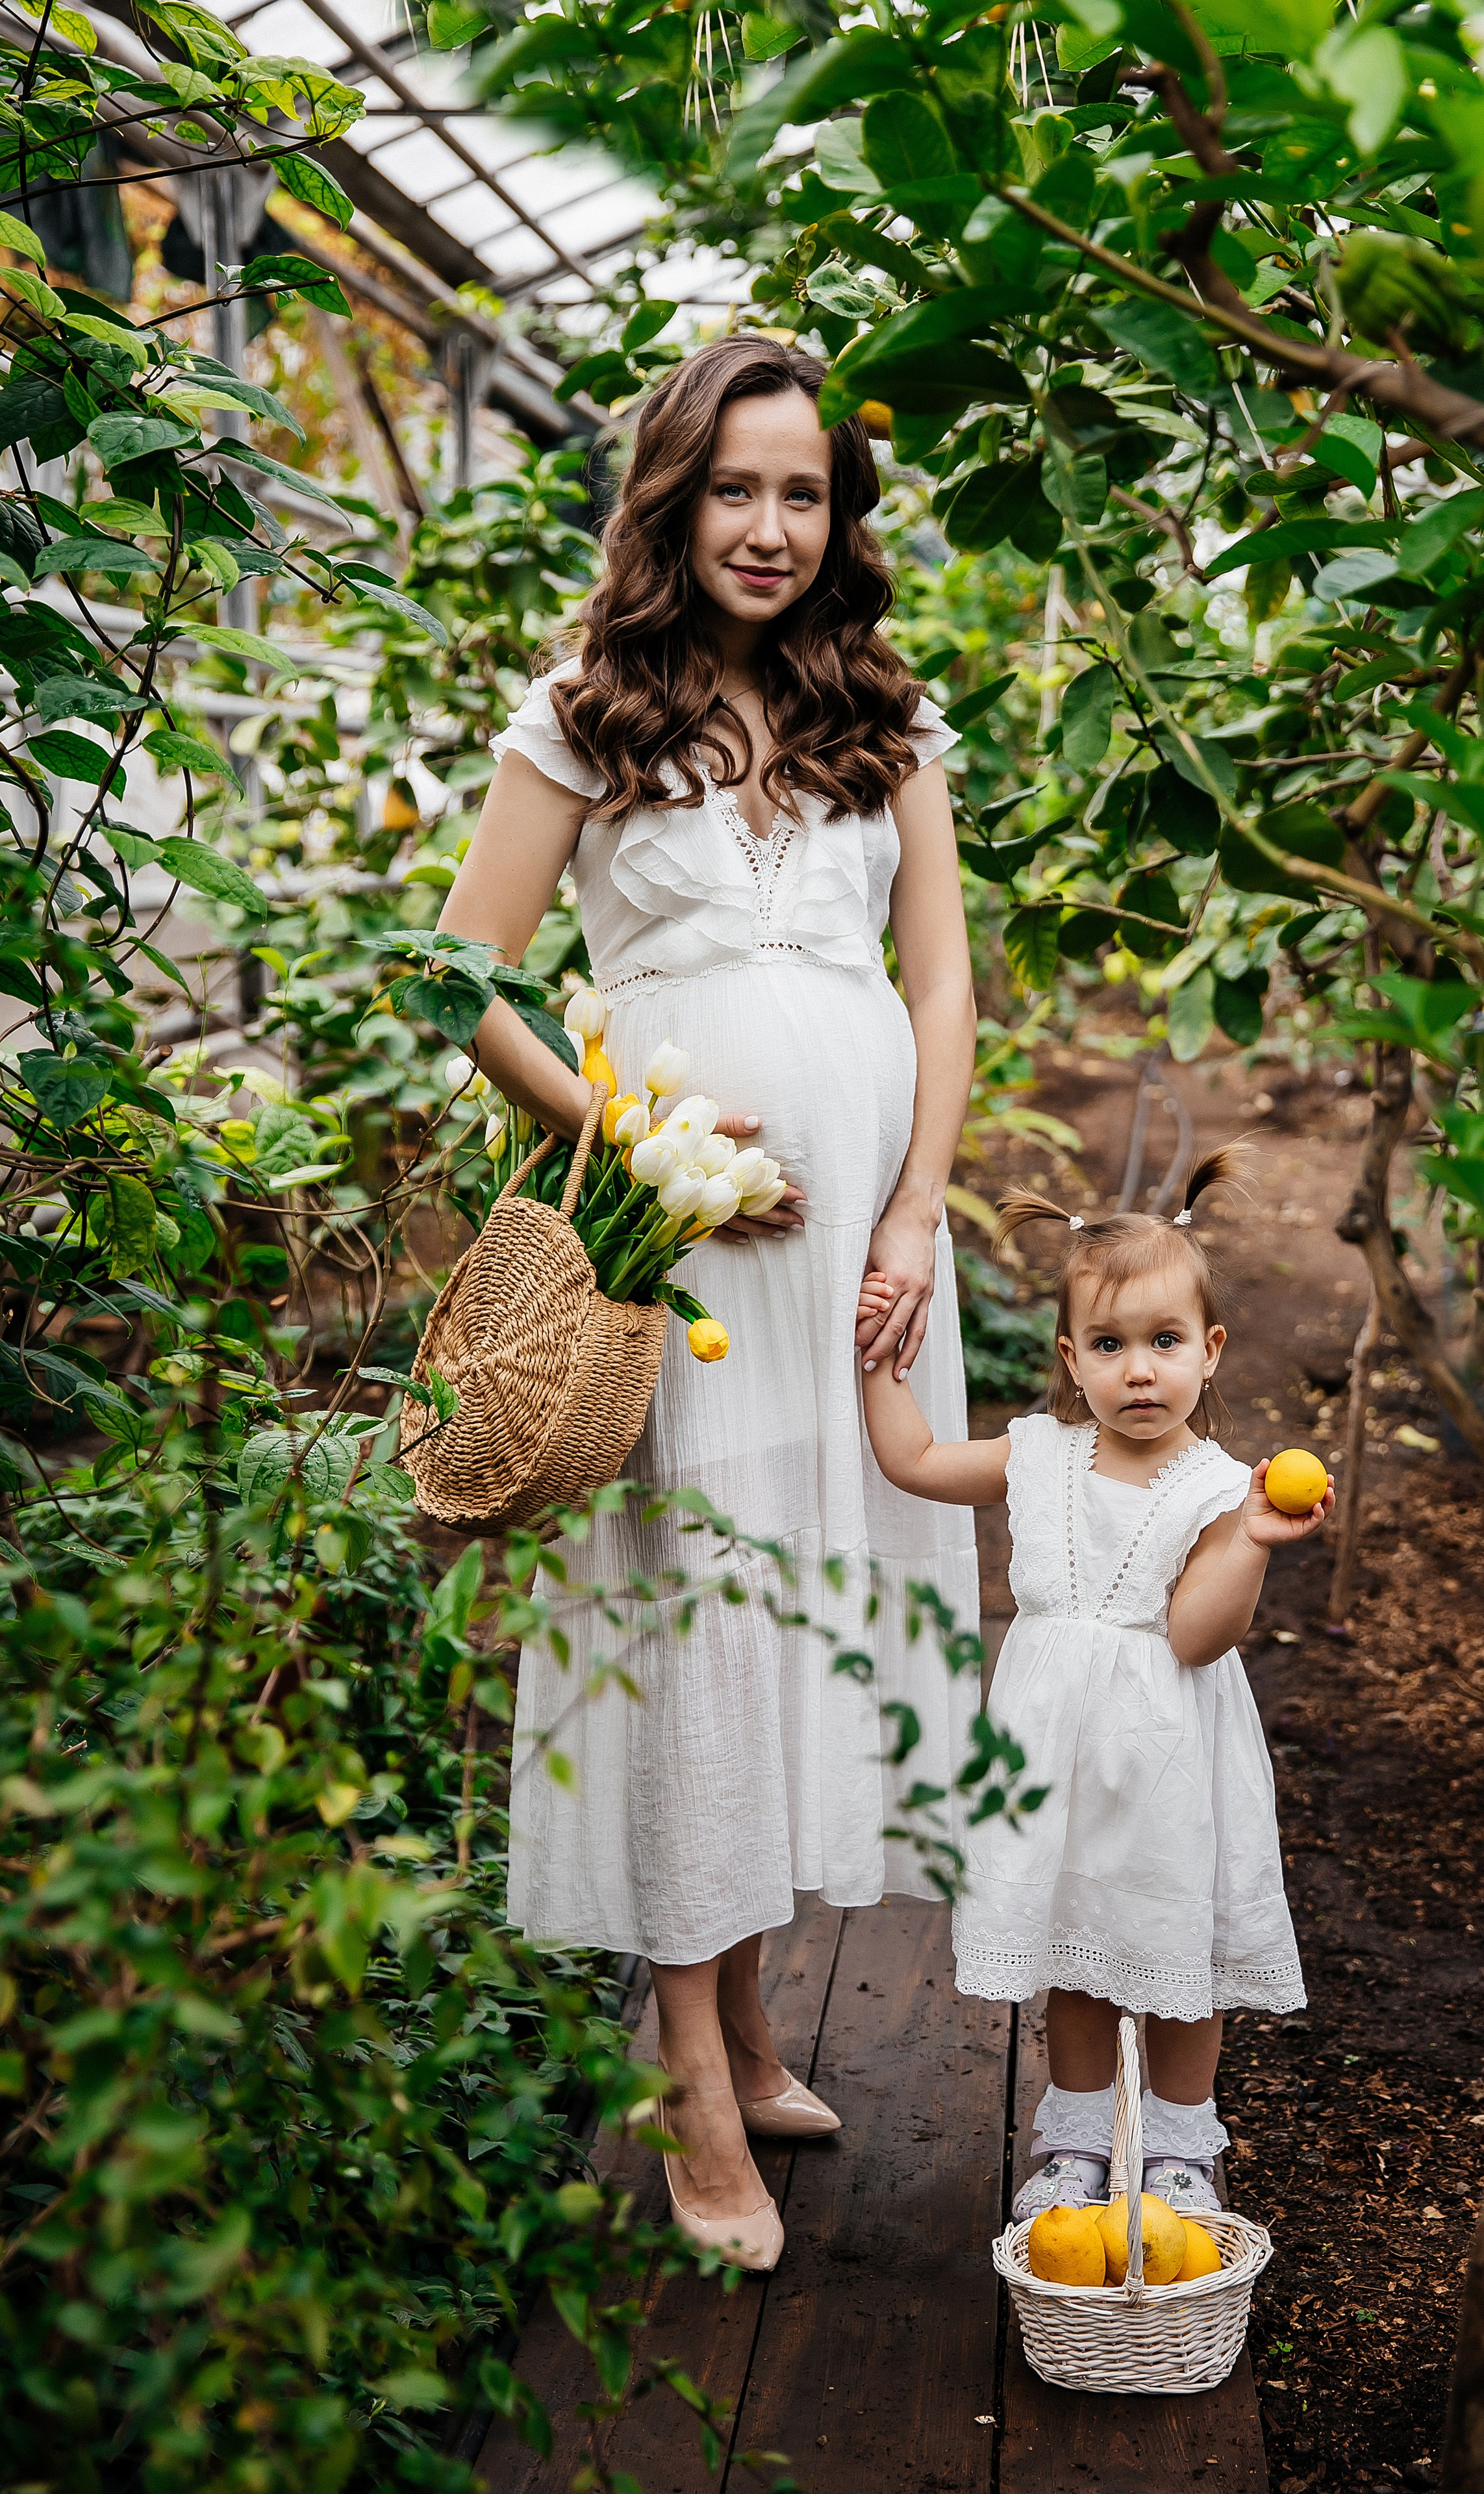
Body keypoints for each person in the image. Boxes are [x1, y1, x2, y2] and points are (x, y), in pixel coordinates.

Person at [435, 336, 979, 2273]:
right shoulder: (587, 710)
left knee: (794, 1623)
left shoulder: (886, 717)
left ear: (841, 513)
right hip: (685, 1262)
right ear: (672, 498)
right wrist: (638, 1140)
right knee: (683, 1626)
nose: (769, 528)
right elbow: (458, 979)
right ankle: (684, 2074)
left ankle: (753, 2021)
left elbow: (938, 992)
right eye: (734, 490)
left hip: (854, 1266)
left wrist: (916, 1210)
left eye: (803, 493)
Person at [857, 1151, 1320, 2222]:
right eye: (1110, 1347)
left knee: (1176, 1951)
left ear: (1209, 1353)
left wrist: (1251, 1538)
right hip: (1054, 1757)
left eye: (1164, 1343)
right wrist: (875, 1358)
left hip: (1164, 1762)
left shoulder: (1218, 1487)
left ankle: (1176, 2145)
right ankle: (1072, 2137)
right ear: (1072, 1359)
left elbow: (1201, 1638)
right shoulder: (1041, 1456)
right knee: (1075, 1950)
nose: (1140, 1372)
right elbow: (915, 1461)